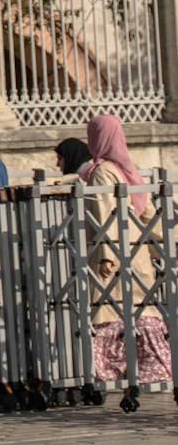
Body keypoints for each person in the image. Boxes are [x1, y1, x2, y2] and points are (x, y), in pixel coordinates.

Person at [80, 114, 173, 384]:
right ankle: (153, 371)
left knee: (111, 314)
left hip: (114, 257)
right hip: (137, 254)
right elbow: (149, 215)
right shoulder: (127, 169)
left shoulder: (101, 173)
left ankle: (121, 375)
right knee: (142, 313)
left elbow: (105, 214)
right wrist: (166, 246)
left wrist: (107, 256)